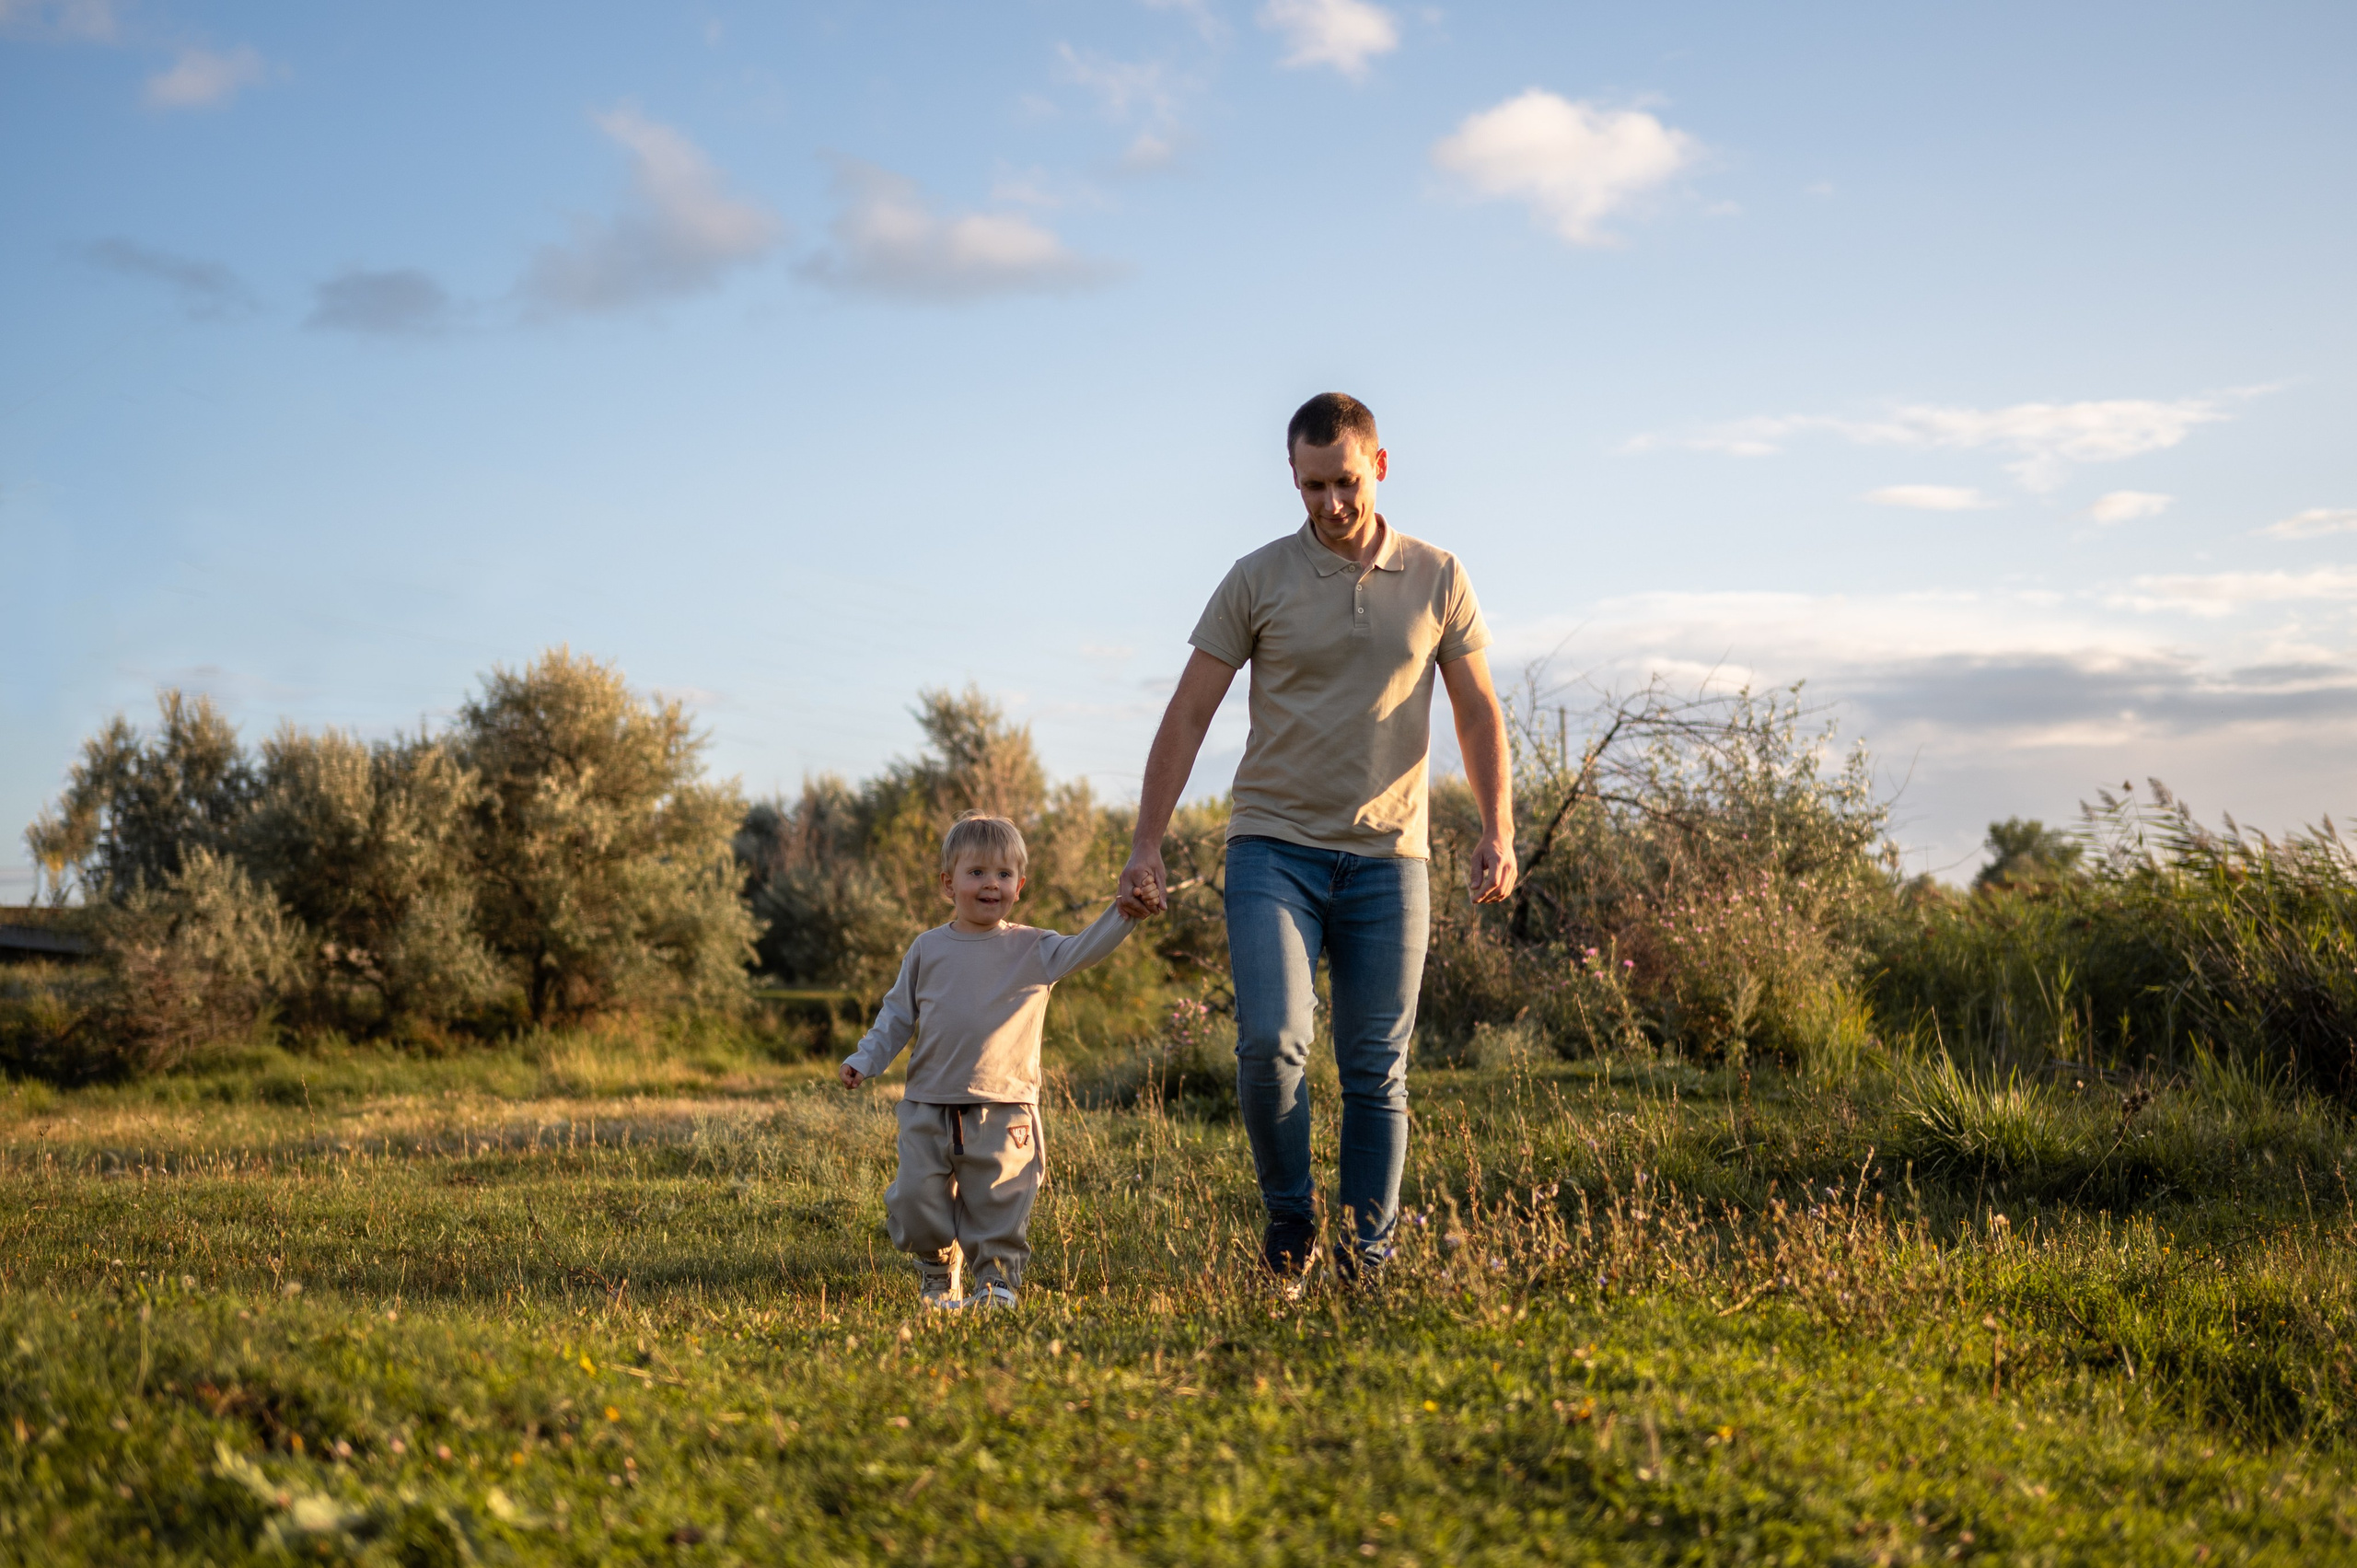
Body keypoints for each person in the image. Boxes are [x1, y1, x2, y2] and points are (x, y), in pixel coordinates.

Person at [1117, 391, 1516, 1290]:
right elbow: (1187, 713)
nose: (1331, 504)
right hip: (1273, 847)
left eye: (1344, 482)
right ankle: (1290, 1221)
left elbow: (1477, 708)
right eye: (1310, 487)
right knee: (1270, 1042)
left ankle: (1366, 1257)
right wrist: (1147, 843)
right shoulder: (1257, 578)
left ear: (1378, 465)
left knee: (1376, 1069)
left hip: (1390, 858)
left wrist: (1498, 828)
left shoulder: (1439, 574)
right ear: (1291, 479)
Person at [839, 811, 1138, 1308]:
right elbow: (897, 1014)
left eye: (1002, 874)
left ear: (1020, 884)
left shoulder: (1035, 948)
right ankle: (938, 1268)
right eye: (976, 872)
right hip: (928, 1103)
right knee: (915, 1198)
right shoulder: (927, 948)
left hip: (1005, 1105)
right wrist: (867, 1058)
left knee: (1001, 1198)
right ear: (947, 882)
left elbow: (1088, 947)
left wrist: (1125, 911)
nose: (990, 884)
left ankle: (995, 1282)